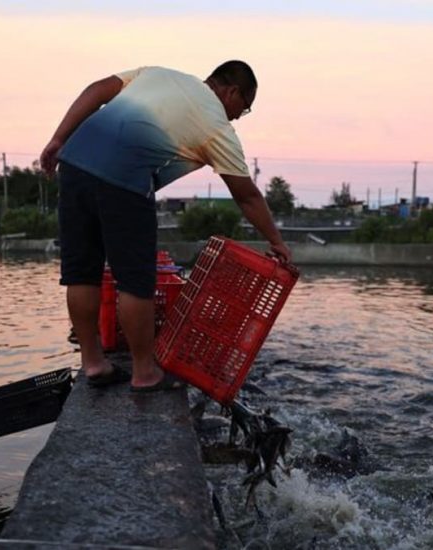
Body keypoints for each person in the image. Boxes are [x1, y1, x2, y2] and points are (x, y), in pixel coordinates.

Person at [40, 60, 291, 392]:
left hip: (76, 160)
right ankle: (144, 372)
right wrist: (277, 243)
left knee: (81, 271)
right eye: (242, 109)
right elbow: (246, 196)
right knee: (134, 280)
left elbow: (97, 91)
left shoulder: (158, 74)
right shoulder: (216, 125)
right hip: (124, 177)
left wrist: (59, 139)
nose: (236, 118)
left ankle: (93, 363)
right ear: (231, 91)